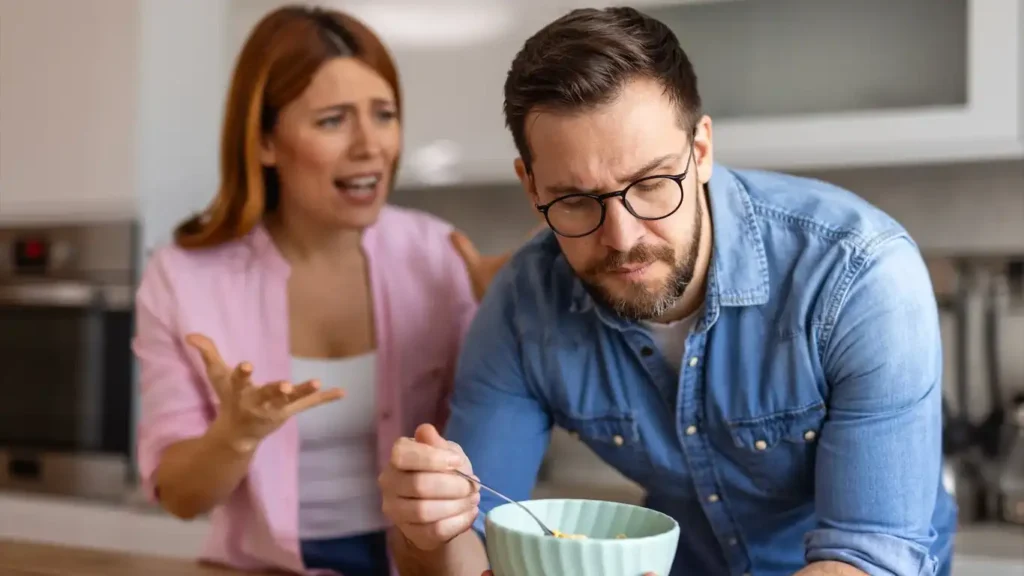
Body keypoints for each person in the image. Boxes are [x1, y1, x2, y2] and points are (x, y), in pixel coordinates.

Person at [378, 7, 956, 576]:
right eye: (576, 201)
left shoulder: (859, 274)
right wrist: (432, 527)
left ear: (700, 151)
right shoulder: (523, 306)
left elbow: (869, 558)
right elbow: (473, 550)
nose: (622, 238)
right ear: (531, 188)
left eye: (652, 185)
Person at [132, 6, 513, 575]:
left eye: (384, 115)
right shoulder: (182, 277)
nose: (370, 146)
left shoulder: (439, 256)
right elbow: (182, 498)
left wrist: (508, 318)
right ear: (264, 141)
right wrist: (235, 435)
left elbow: (488, 432)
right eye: (333, 120)